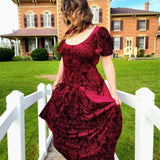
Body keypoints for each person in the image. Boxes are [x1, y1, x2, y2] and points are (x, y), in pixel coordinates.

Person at [39, 0, 122, 159]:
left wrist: (113, 93)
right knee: (69, 134)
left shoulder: (99, 33)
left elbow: (107, 62)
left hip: (90, 92)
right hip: (68, 93)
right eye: (67, 13)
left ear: (83, 10)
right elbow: (64, 60)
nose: (70, 16)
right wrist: (58, 80)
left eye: (72, 11)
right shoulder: (69, 34)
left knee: (92, 136)